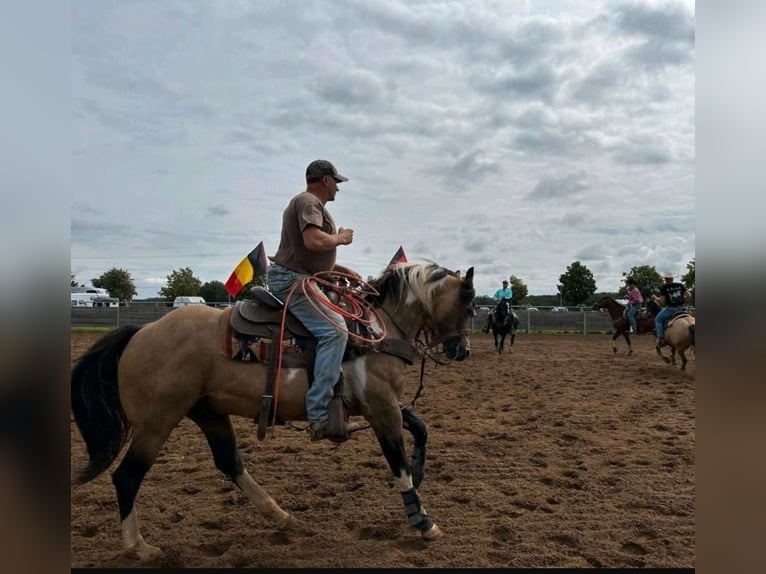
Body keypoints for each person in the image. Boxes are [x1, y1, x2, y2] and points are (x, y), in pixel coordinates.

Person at [266, 159, 359, 441]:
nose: (338, 190)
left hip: (300, 275)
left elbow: (310, 257)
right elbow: (313, 242)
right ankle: (318, 415)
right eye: (336, 183)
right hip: (292, 280)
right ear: (326, 180)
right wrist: (341, 238)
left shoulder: (308, 203)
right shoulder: (309, 202)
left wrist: (341, 271)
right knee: (335, 330)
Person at [652, 272, 691, 348]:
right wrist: (683, 299)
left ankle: (661, 338)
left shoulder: (664, 288)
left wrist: (655, 298)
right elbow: (689, 295)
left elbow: (661, 301)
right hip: (682, 308)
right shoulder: (680, 285)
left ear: (666, 279)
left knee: (658, 319)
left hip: (671, 309)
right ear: (672, 279)